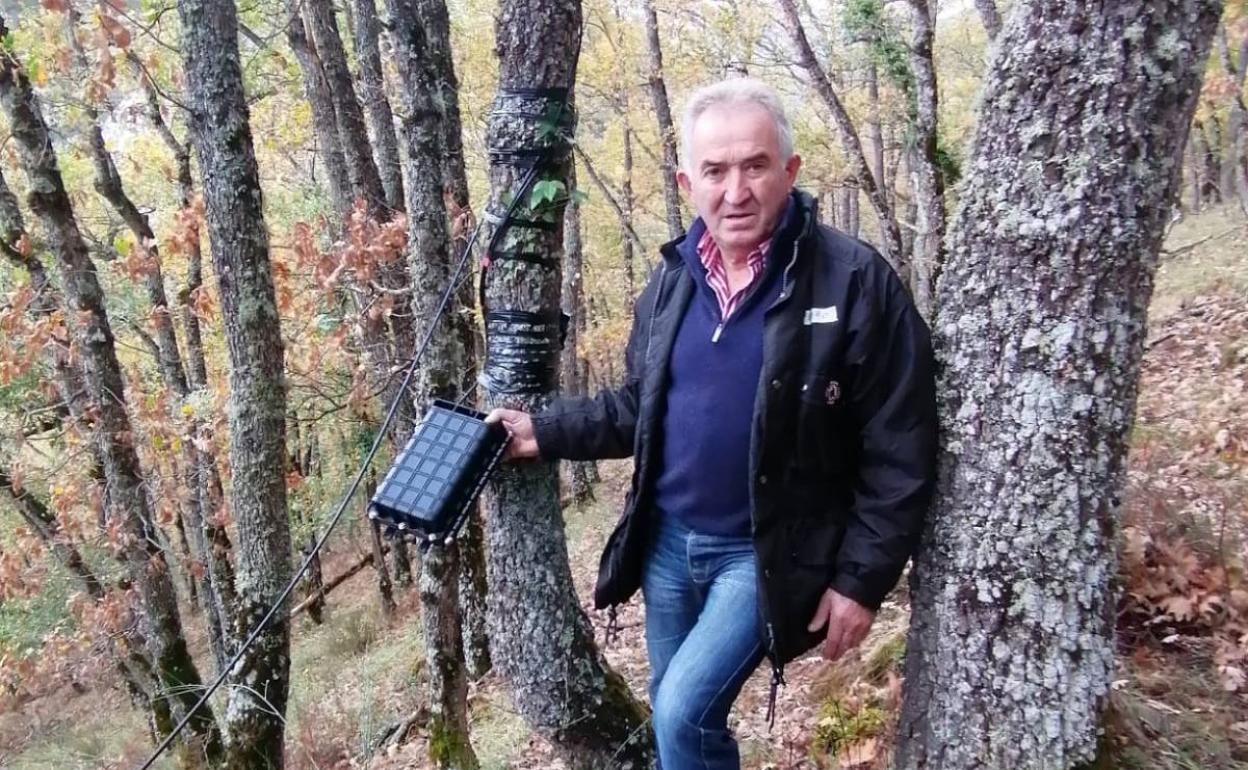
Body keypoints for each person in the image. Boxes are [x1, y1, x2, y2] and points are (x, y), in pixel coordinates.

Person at [487, 77, 937, 770]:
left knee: (681, 711)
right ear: (686, 180)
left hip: (764, 555)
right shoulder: (673, 281)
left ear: (789, 171)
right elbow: (640, 406)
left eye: (755, 166)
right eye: (716, 171)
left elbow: (900, 445)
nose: (736, 191)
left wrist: (861, 579)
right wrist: (542, 431)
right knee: (679, 721)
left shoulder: (853, 282)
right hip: (668, 546)